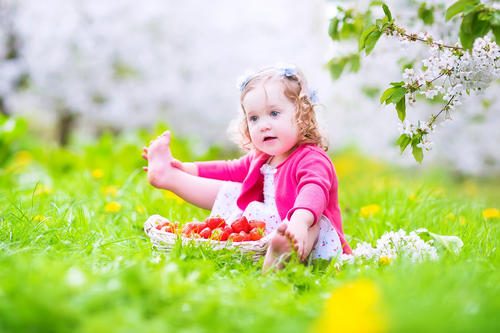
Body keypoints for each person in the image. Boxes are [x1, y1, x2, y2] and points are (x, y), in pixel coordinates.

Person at [142, 63, 351, 271]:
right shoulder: (264, 157)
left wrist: (300, 222)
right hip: (272, 226)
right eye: (254, 118)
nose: (263, 125)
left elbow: (313, 191)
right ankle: (169, 176)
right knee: (233, 191)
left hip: (305, 236)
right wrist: (188, 168)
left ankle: (279, 260)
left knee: (311, 223)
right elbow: (229, 169)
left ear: (302, 117)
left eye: (274, 113)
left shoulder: (311, 158)